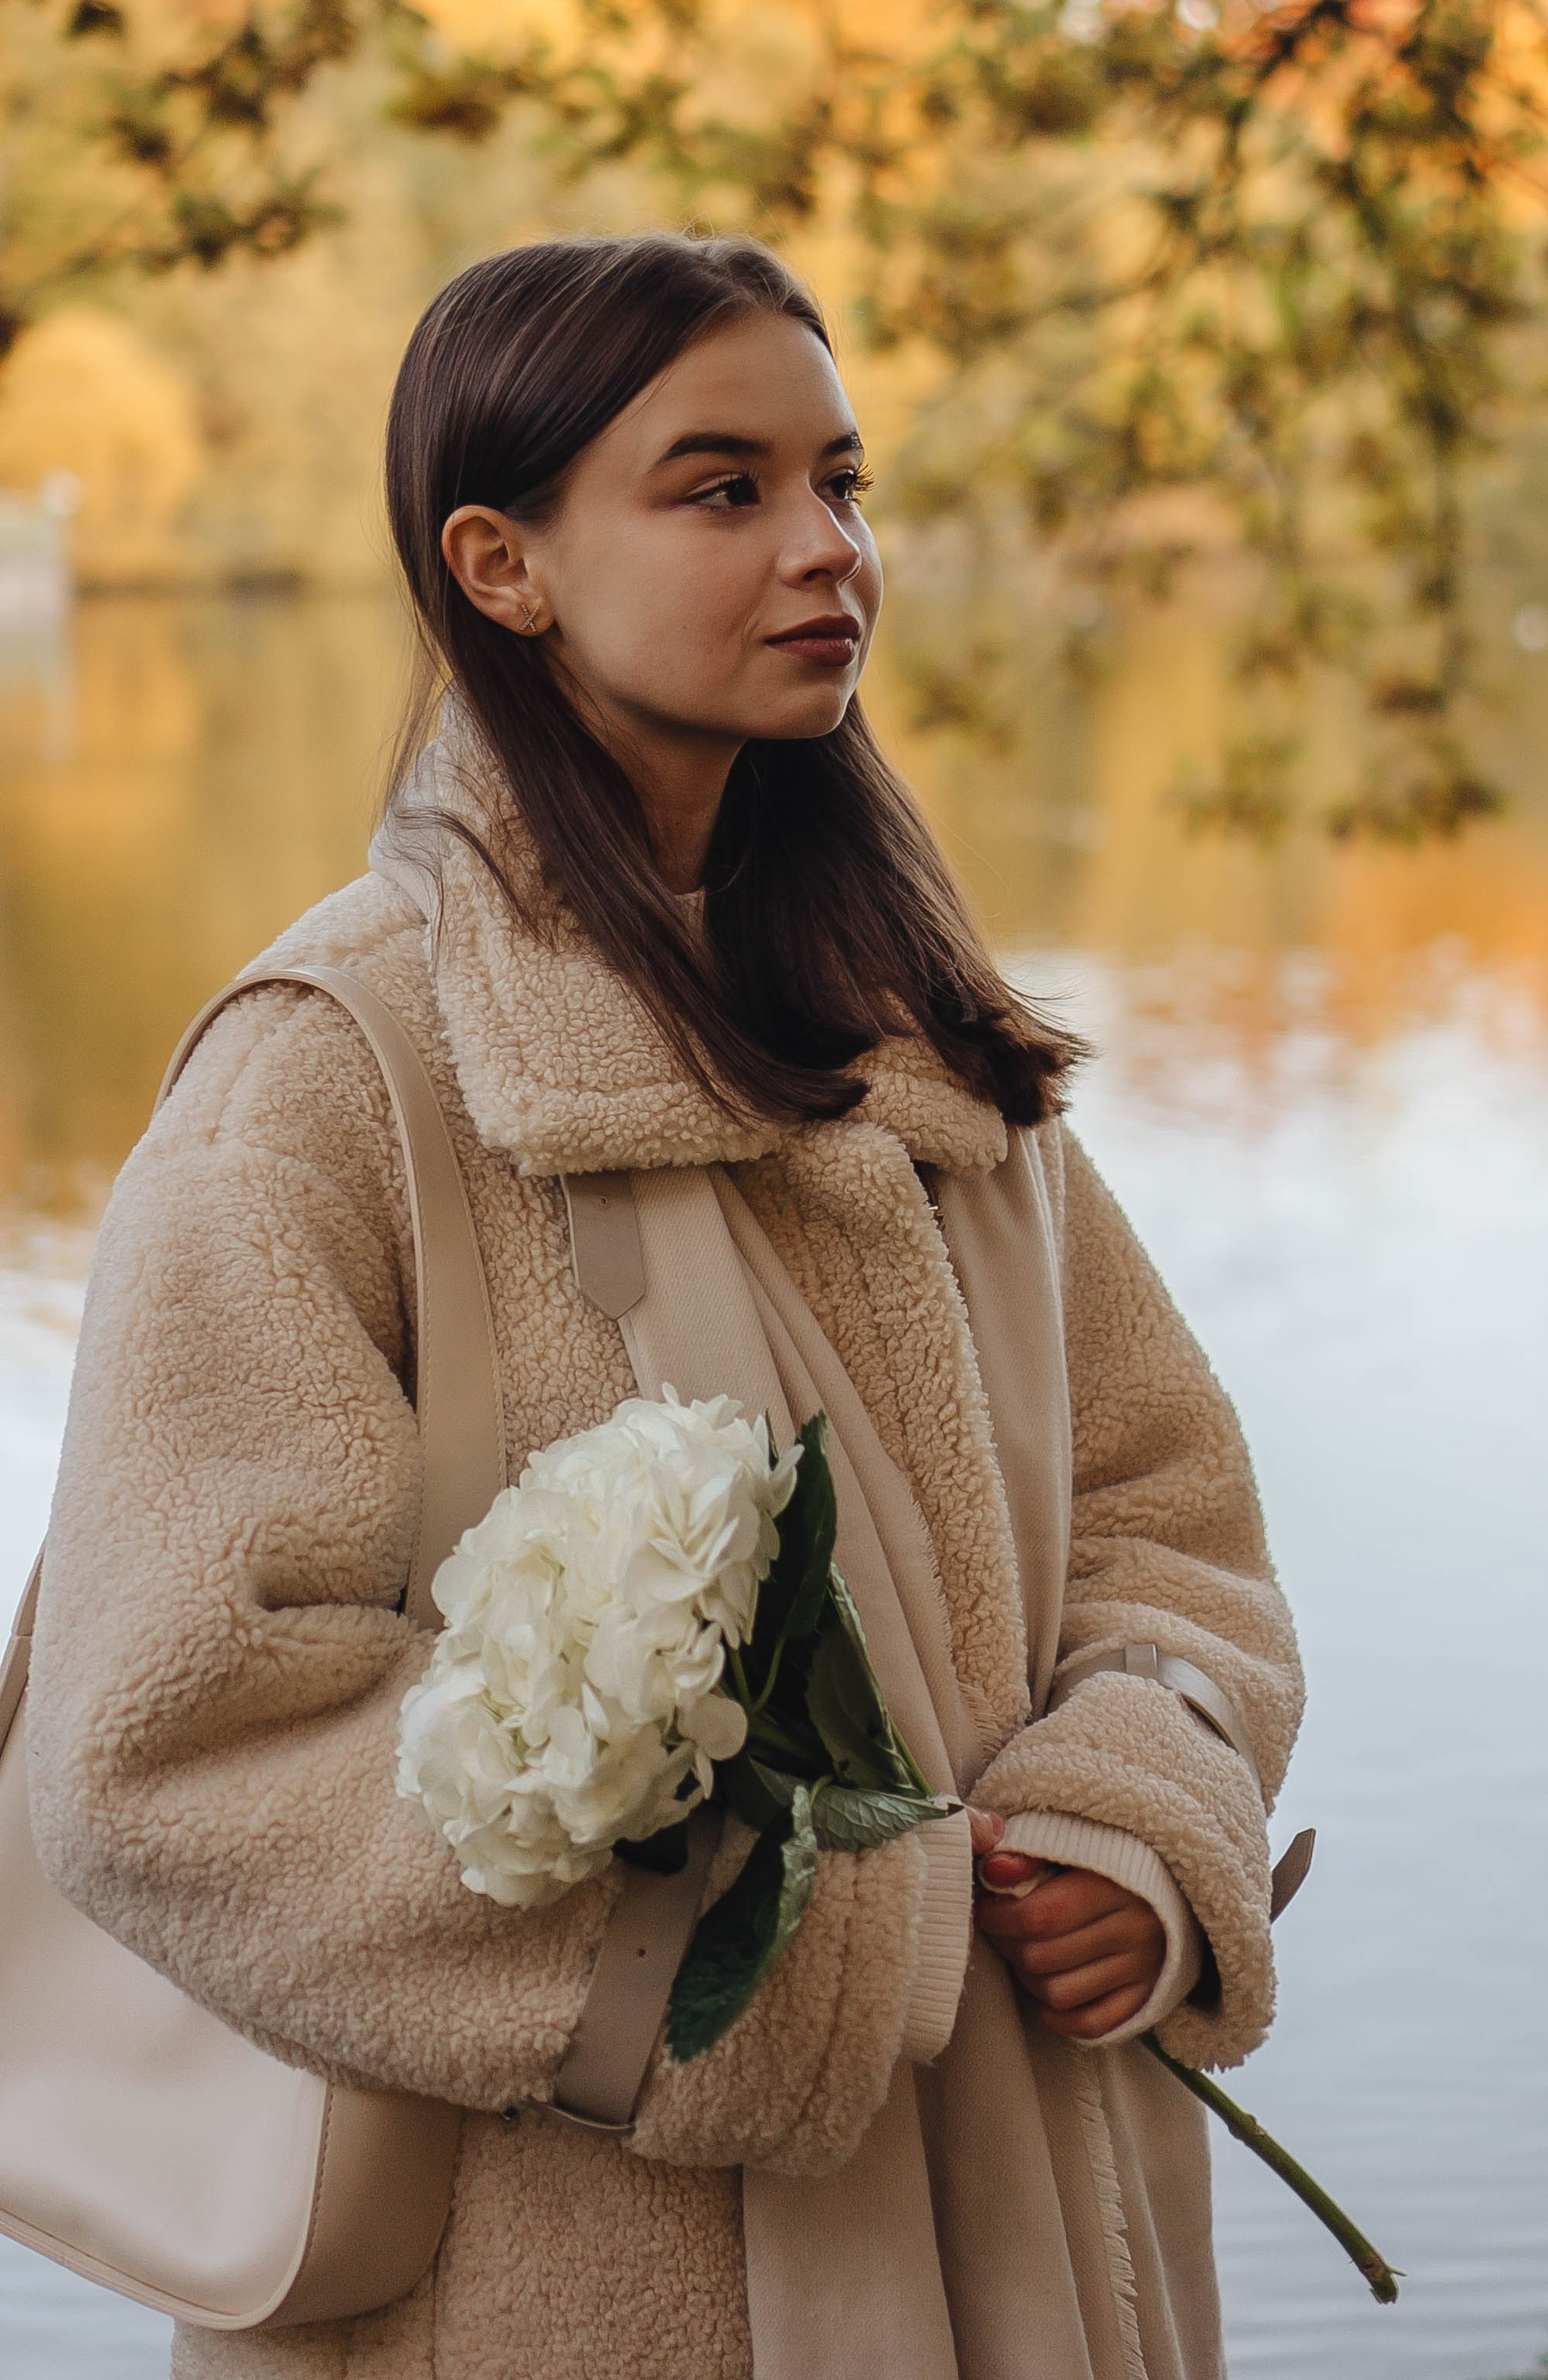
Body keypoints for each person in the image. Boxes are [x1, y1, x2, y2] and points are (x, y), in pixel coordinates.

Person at [30, 231, 1303, 2379]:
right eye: (723, 489)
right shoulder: (332, 1074)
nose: (828, 549)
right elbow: (169, 1740)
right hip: (563, 2279)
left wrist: (1130, 1824)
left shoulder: (923, 1051)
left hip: (1032, 2230)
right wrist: (765, 1953)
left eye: (845, 481)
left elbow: (1164, 1515)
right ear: (501, 564)